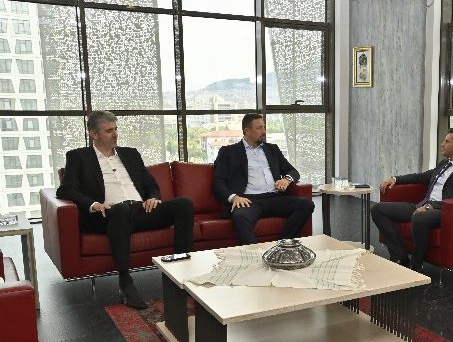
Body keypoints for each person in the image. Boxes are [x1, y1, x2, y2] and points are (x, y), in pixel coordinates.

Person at [57, 111, 195, 309]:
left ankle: (182, 272)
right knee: (120, 210)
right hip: (109, 214)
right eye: (109, 131)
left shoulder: (130, 154)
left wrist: (153, 197)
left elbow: (150, 183)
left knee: (184, 204)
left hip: (140, 210)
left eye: (116, 129)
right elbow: (66, 189)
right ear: (94, 134)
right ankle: (125, 283)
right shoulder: (78, 157)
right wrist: (93, 204)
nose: (115, 134)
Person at [371, 128, 453, 272]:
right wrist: (395, 179)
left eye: (446, 141)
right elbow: (420, 177)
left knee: (420, 217)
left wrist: (431, 206)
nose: (442, 144)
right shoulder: (444, 164)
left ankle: (416, 267)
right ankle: (401, 257)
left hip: (443, 211)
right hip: (423, 205)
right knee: (378, 209)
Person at [212, 113, 315, 245]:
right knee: (240, 216)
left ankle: (280, 246)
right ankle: (255, 253)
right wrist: (234, 198)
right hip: (249, 201)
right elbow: (218, 182)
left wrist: (286, 179)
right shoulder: (228, 152)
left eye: (264, 127)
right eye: (259, 128)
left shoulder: (272, 149)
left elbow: (293, 171)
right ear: (247, 131)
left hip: (274, 198)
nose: (264, 131)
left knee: (306, 204)